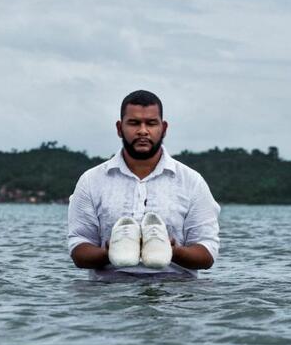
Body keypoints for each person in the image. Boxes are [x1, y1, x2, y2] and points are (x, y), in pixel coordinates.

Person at [67, 90, 220, 280]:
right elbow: (78, 249)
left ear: (163, 128)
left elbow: (207, 253)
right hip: (108, 295)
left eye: (151, 123)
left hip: (175, 296)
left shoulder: (192, 182)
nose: (142, 130)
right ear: (119, 128)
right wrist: (109, 253)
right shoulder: (91, 181)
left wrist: (174, 251)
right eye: (133, 123)